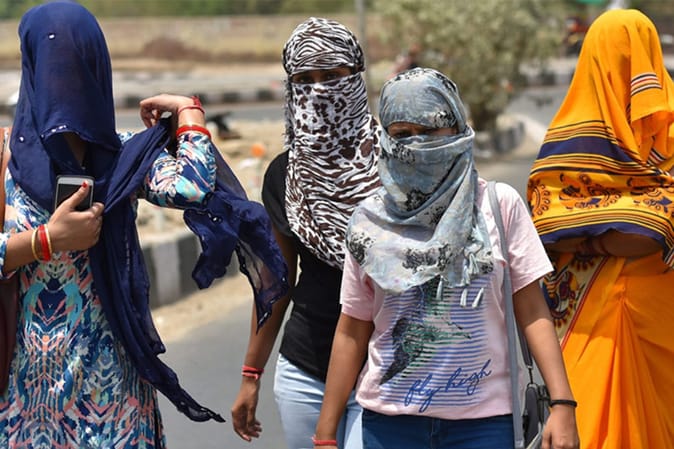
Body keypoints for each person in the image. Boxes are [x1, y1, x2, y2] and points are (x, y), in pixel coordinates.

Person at [0, 2, 287, 448]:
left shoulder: (123, 156)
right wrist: (47, 240)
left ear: (96, 70)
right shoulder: (4, 158)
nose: (64, 85)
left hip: (112, 398)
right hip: (24, 396)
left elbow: (192, 188)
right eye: (53, 67)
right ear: (32, 69)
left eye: (76, 67)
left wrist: (189, 112)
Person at [314, 67, 580, 449]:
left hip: (486, 426)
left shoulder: (499, 206)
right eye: (402, 134)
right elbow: (352, 330)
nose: (416, 144)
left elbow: (532, 309)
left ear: (456, 129)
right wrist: (326, 433)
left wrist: (563, 403)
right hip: (390, 427)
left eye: (430, 130)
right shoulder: (369, 222)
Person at [230, 17, 380, 449]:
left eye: (332, 76)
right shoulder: (286, 176)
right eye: (304, 79)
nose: (318, 90)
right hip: (306, 371)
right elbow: (275, 283)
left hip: (387, 371)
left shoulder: (397, 166)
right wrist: (251, 374)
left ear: (356, 76)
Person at [527, 9, 674, 449]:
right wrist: (623, 233)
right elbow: (543, 223)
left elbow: (648, 232)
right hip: (590, 327)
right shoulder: (567, 141)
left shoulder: (564, 149)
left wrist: (587, 237)